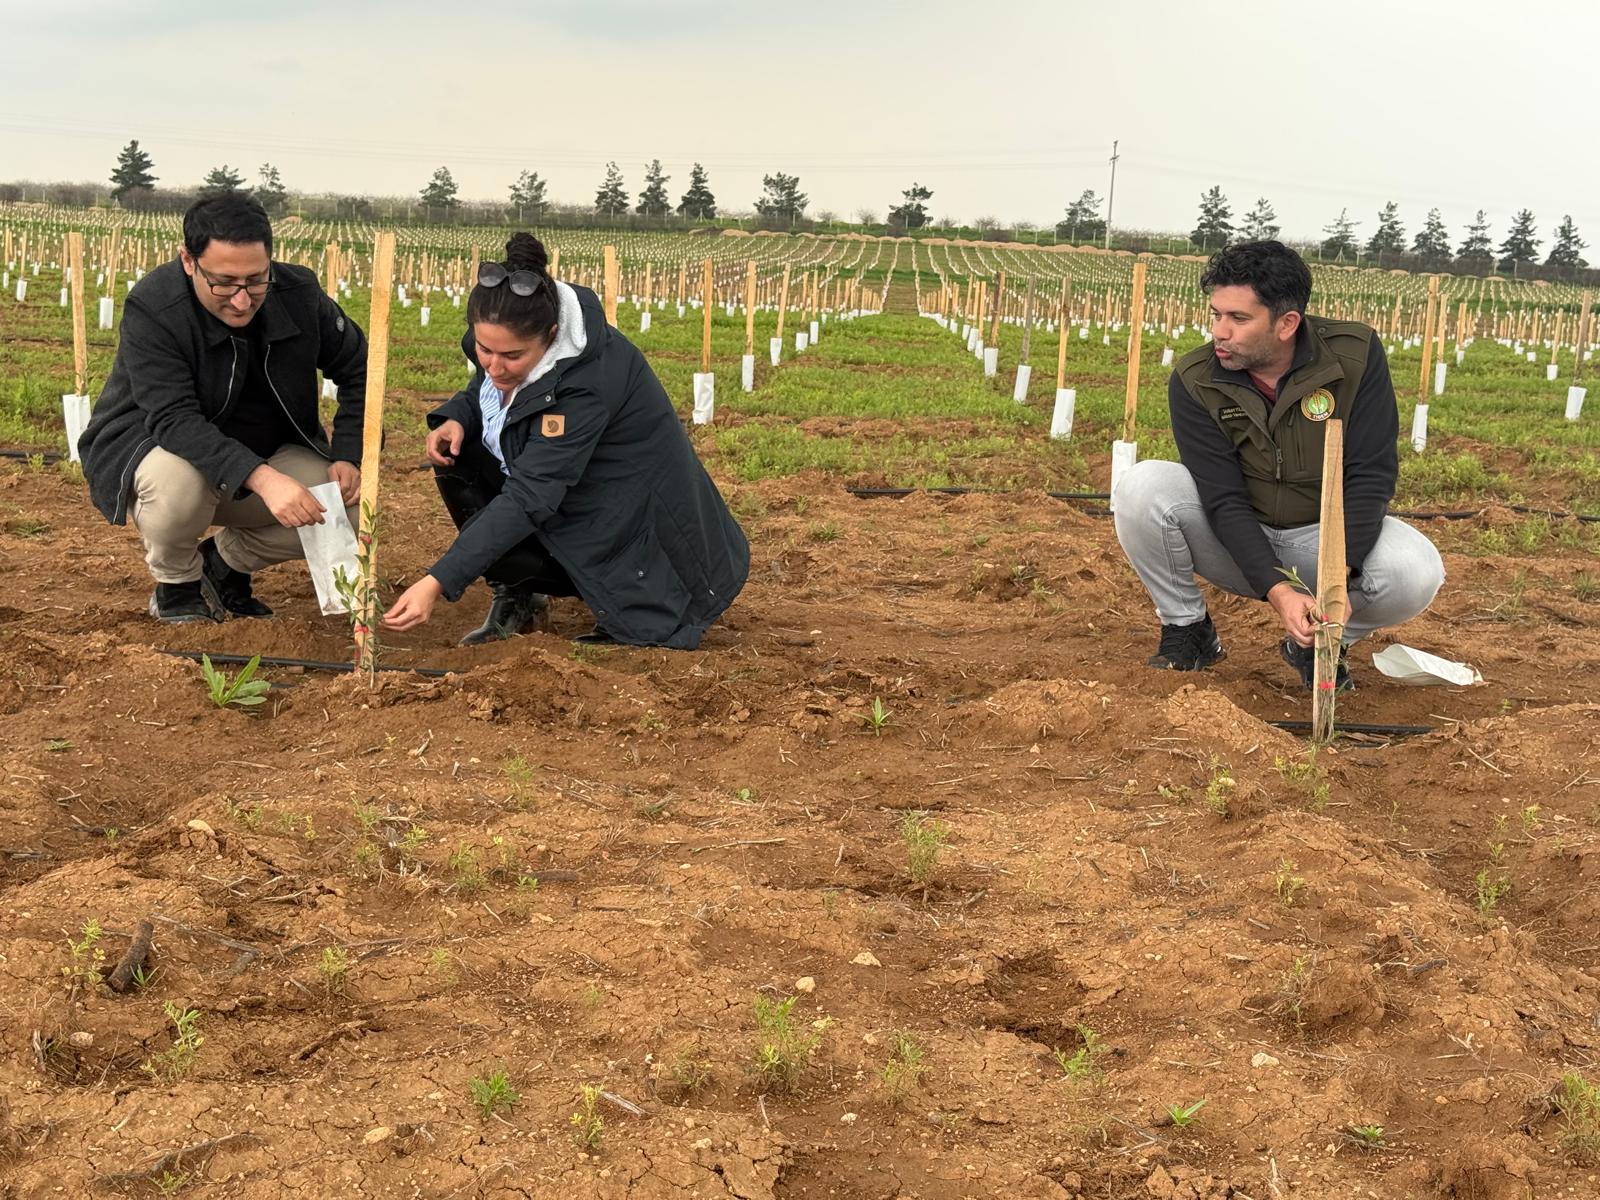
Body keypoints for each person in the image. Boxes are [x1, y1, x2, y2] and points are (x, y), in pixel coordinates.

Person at [381, 233, 749, 650]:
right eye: (484, 349)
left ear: (552, 334)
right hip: (581, 498)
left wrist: (439, 580)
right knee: (458, 455)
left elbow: (531, 495)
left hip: (639, 522)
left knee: (644, 629)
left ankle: (637, 603)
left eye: (512, 357)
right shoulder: (508, 344)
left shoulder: (588, 383)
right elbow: (486, 385)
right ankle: (520, 593)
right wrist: (459, 416)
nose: (494, 366)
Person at [1113, 240, 1444, 690]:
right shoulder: (1196, 379)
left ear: (1287, 323)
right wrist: (1278, 590)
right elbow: (1223, 498)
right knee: (1142, 485)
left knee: (1415, 569)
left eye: (1239, 318)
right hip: (1234, 535)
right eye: (1216, 314)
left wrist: (1337, 581)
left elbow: (1370, 476)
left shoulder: (1354, 358)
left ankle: (1320, 642)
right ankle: (1187, 628)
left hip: (1320, 538)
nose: (1220, 332)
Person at [79, 194, 368, 623]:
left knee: (347, 512)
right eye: (224, 282)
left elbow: (360, 367)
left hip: (265, 452)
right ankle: (177, 587)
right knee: (179, 483)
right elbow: (174, 420)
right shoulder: (156, 307)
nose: (241, 299)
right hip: (161, 452)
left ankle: (223, 563)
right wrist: (264, 479)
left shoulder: (299, 295)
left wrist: (347, 452)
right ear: (188, 260)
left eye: (256, 280)